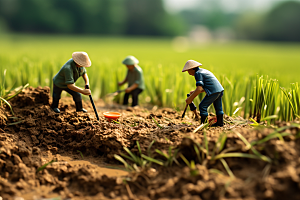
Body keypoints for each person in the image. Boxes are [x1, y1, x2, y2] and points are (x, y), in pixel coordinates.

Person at [182, 60, 224, 127]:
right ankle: (220, 123)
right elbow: (207, 86)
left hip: (213, 92)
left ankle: (203, 124)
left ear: (192, 68)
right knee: (218, 107)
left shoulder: (198, 74)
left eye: (188, 70)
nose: (188, 73)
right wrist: (194, 92)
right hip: (219, 90)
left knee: (202, 106)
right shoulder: (203, 71)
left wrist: (190, 98)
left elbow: (199, 89)